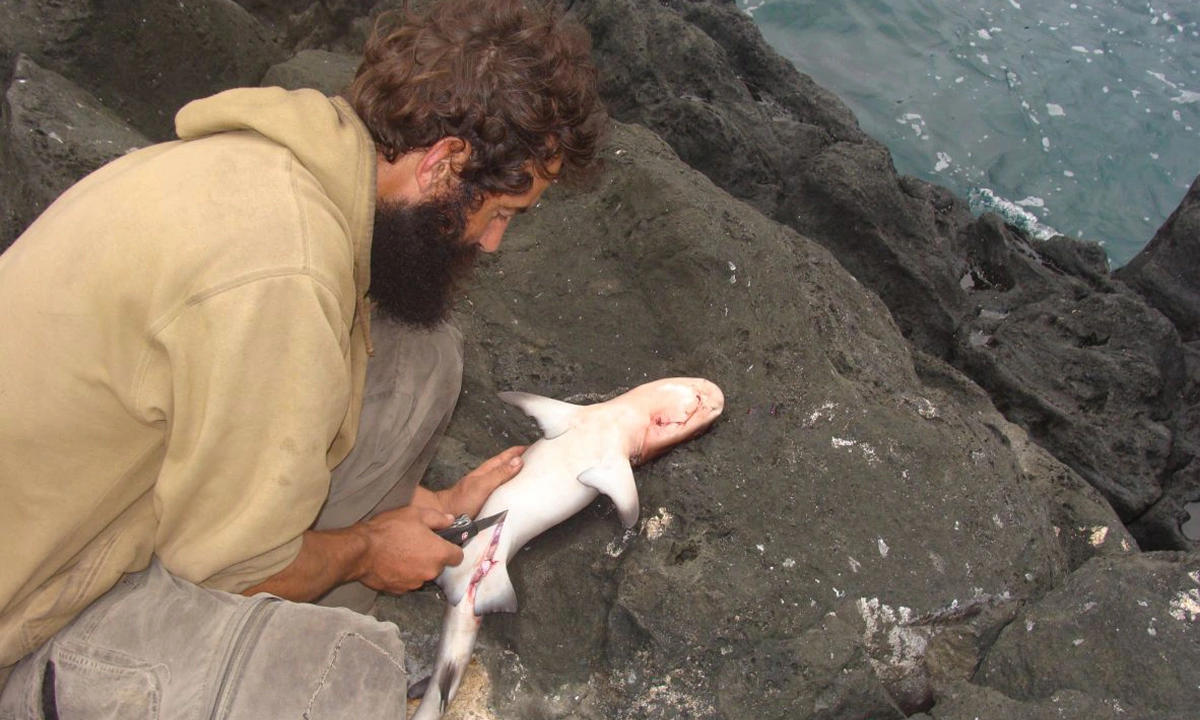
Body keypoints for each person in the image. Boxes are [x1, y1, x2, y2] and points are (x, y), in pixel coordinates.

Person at [0, 0, 606, 714]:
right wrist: (366, 551)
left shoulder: (273, 166)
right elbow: (229, 565)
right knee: (345, 676)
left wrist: (422, 508)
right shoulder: (282, 268)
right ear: (445, 165)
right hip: (38, 610)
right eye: (501, 211)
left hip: (113, 492)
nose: (494, 242)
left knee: (419, 358)